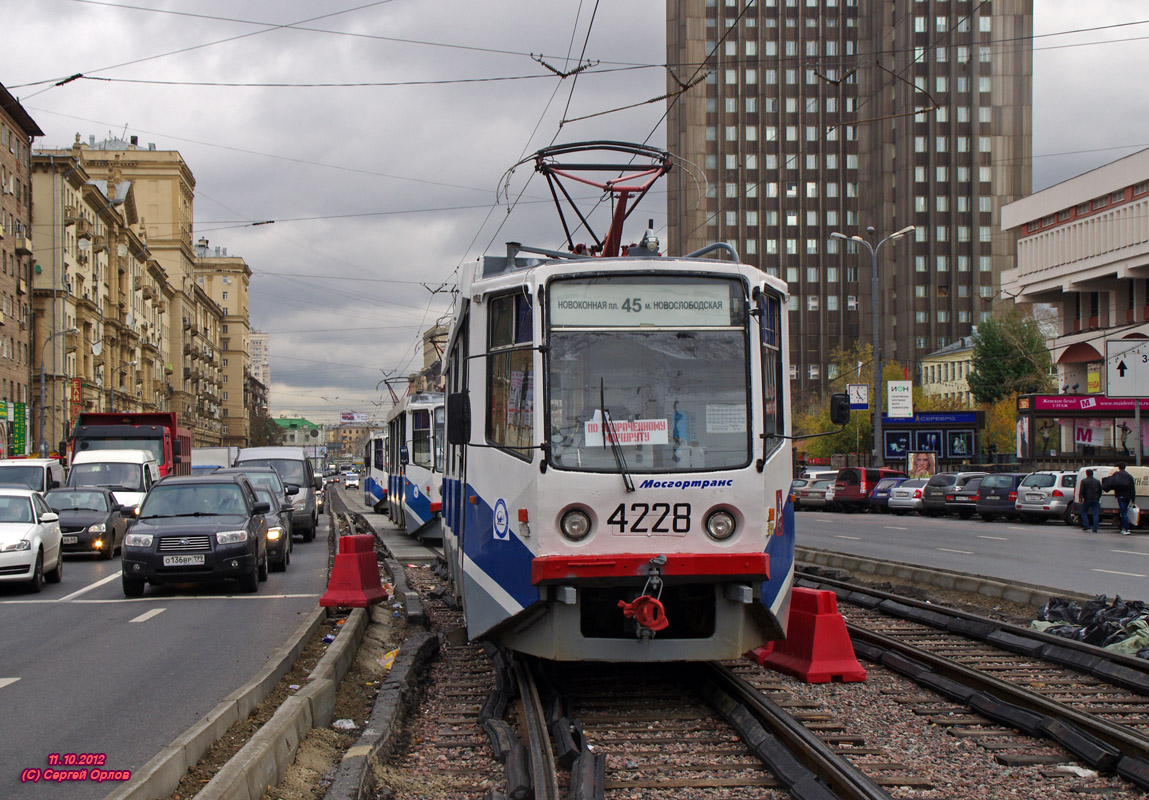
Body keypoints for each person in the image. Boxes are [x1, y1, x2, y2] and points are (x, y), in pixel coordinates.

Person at [1101, 463, 1136, 535]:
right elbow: (1132, 488)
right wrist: (1133, 499)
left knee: (1123, 513)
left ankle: (1127, 529)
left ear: (1119, 468)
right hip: (1128, 496)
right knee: (1124, 512)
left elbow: (1111, 483)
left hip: (1120, 496)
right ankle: (1124, 528)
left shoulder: (1116, 475)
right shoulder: (1129, 476)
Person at [1079, 468, 1103, 533]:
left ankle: (1086, 525)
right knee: (1095, 513)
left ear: (1086, 474)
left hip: (1087, 499)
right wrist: (1098, 497)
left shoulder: (1084, 481)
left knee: (1083, 512)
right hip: (1095, 499)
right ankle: (1095, 528)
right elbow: (1100, 491)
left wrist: (1080, 497)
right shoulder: (1097, 481)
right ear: (1092, 474)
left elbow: (1082, 490)